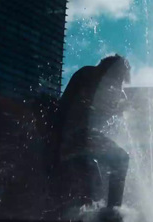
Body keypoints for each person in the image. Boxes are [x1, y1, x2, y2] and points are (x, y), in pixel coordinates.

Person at [55, 54, 131, 214]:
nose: (119, 83)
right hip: (75, 135)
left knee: (93, 183)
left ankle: (99, 211)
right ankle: (113, 211)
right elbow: (69, 106)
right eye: (119, 77)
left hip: (80, 137)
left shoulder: (102, 83)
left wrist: (117, 109)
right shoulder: (88, 75)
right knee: (121, 158)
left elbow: (100, 115)